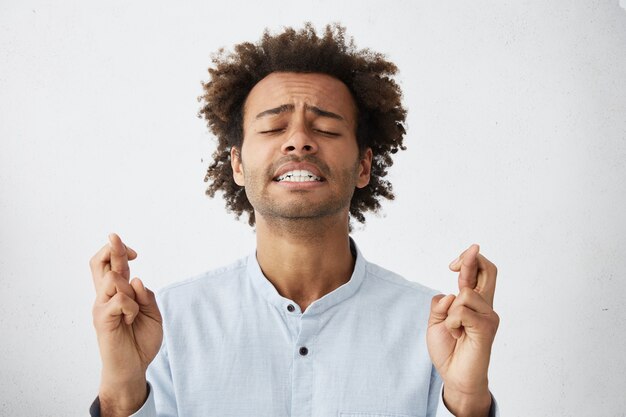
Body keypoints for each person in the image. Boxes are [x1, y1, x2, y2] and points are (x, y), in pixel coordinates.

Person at [89, 24, 500, 417]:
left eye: (325, 127)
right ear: (236, 163)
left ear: (363, 165)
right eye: (273, 126)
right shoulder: (170, 322)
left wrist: (467, 398)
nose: (299, 139)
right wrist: (121, 390)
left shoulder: (431, 327)